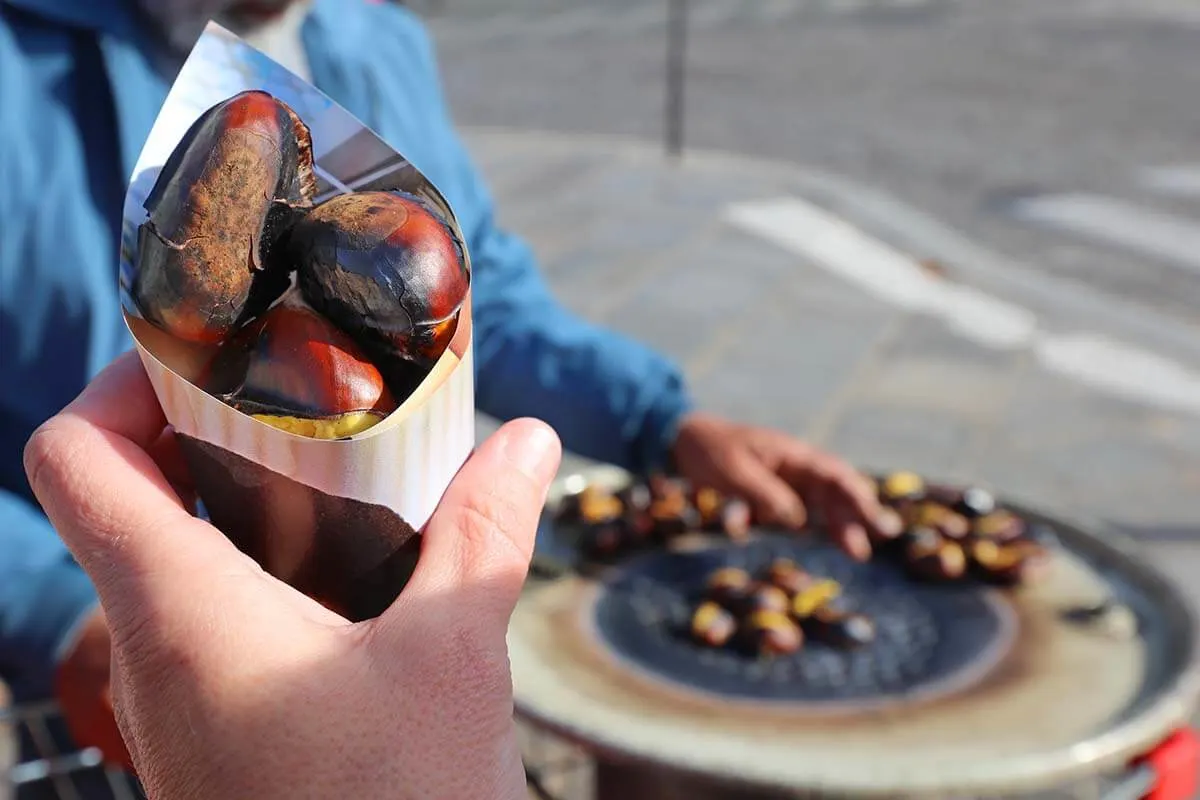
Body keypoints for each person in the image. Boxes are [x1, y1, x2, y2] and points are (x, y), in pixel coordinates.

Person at [0, 0, 897, 778]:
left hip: (380, 639)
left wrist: (665, 422)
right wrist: (64, 615)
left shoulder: (375, 38)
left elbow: (476, 303)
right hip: (103, 681)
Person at [24, 353, 563, 799]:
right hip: (87, 667)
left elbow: (501, 319)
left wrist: (646, 415)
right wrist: (60, 610)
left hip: (386, 632)